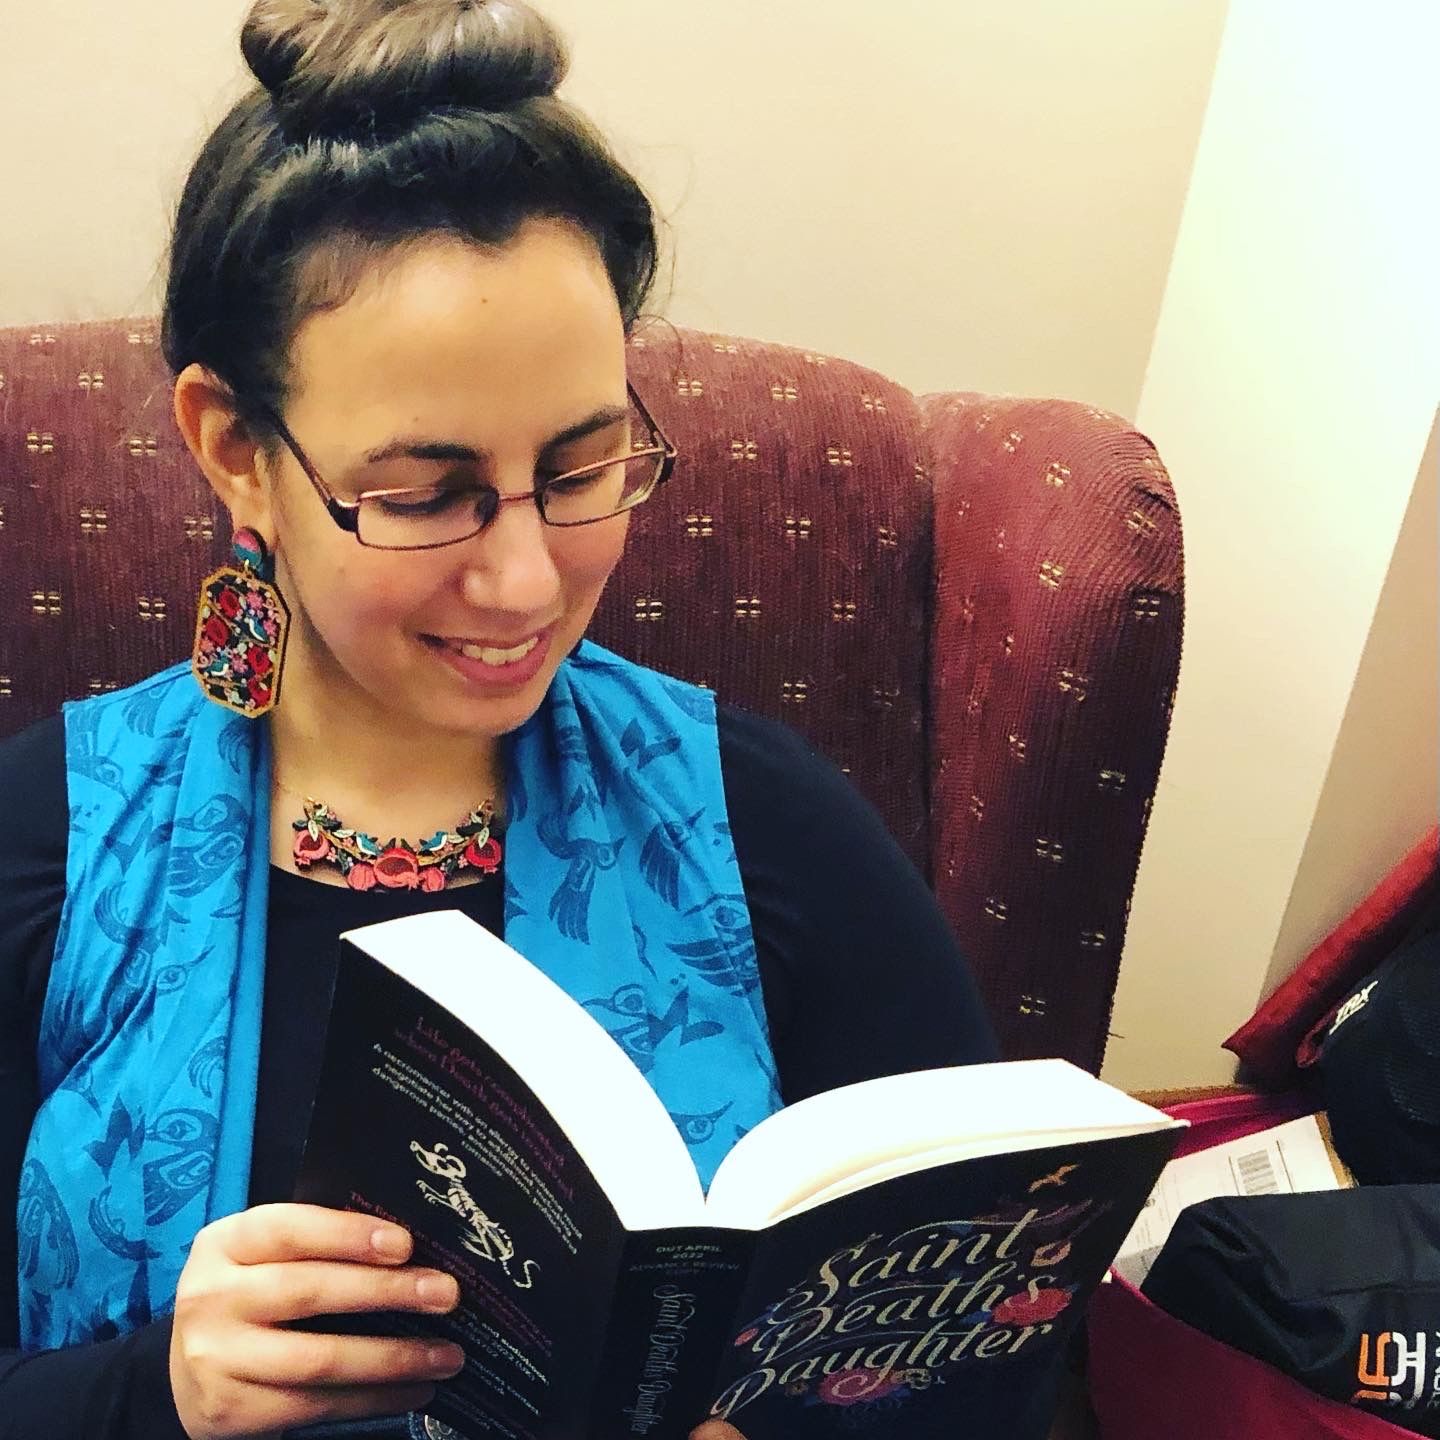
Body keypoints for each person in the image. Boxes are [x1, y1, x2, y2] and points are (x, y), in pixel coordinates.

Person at [0, 1, 998, 1435]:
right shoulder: (55, 841)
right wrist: (151, 1390)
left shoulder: (760, 824)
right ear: (235, 453)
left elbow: (985, 1333)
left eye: (587, 465)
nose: (529, 577)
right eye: (424, 493)